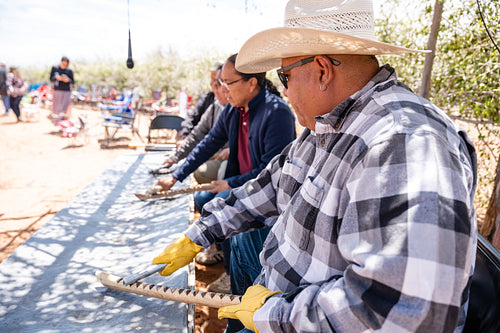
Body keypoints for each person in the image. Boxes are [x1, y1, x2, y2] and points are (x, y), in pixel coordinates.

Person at [152, 1, 478, 332]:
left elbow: (399, 311)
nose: (283, 89)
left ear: (322, 70)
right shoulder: (327, 128)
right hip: (278, 303)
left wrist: (274, 313)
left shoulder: (405, 143)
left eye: (285, 75)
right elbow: (272, 185)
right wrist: (200, 233)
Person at [156, 53, 296, 330]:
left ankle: (243, 295)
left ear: (252, 82)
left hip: (266, 201)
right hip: (243, 188)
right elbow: (207, 143)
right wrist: (175, 175)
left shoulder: (277, 113)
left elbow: (272, 175)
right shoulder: (233, 111)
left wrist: (232, 184)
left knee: (234, 223)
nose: (223, 89)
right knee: (208, 203)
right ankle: (233, 278)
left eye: (228, 82)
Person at [163, 66, 229, 186]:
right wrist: (175, 160)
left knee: (203, 173)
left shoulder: (241, 108)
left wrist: (232, 151)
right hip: (216, 154)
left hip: (232, 164)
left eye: (219, 82)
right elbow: (201, 136)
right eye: (213, 81)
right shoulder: (214, 105)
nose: (214, 86)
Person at [177, 61, 223, 142]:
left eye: (218, 81)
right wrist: (185, 134)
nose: (212, 84)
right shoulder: (207, 98)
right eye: (212, 79)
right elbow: (192, 119)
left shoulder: (232, 105)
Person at [49, 56, 74, 122]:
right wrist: (57, 78)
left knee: (64, 109)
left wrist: (68, 80)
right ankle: (56, 122)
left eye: (66, 65)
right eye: (63, 64)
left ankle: (63, 123)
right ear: (61, 62)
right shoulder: (55, 68)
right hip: (57, 90)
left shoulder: (69, 71)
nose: (64, 66)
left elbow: (73, 81)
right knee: (56, 108)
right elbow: (51, 79)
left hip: (66, 91)